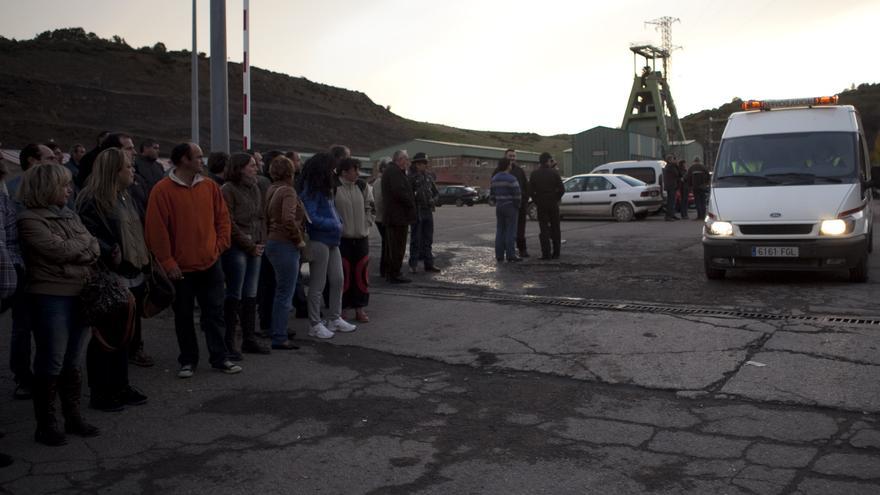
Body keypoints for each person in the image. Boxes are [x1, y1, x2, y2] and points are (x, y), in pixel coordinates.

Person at [17, 163, 101, 446]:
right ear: (46, 188)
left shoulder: (70, 215)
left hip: (81, 291)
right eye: (63, 185)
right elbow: (58, 250)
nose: (69, 189)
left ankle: (72, 416)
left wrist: (77, 248)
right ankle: (46, 423)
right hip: (51, 294)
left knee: (73, 358)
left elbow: (94, 246)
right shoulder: (29, 219)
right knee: (52, 357)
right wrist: (80, 247)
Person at [144, 142, 240, 378]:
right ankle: (188, 360)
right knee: (184, 315)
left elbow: (223, 220)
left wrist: (218, 247)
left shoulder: (209, 187)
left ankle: (220, 358)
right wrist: (167, 262)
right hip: (181, 269)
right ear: (184, 160)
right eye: (197, 157)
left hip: (210, 263)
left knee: (215, 313)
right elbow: (156, 231)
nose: (202, 161)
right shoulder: (162, 190)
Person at [76, 148, 150, 411]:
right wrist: (110, 251)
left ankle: (120, 385)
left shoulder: (125, 195)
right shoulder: (91, 199)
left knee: (124, 334)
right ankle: (101, 392)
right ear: (114, 171)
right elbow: (86, 235)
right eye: (128, 167)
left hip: (132, 271)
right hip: (108, 275)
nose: (133, 171)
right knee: (105, 337)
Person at [7, 143, 58, 401]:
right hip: (25, 268)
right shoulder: (13, 190)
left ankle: (47, 374)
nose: (55, 161)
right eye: (49, 158)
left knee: (49, 325)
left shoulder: (59, 188)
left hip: (52, 270)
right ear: (31, 161)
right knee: (23, 326)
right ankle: (23, 376)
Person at [300, 153, 357, 339]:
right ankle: (315, 324)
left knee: (338, 279)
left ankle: (335, 318)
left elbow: (331, 210)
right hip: (319, 239)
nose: (334, 171)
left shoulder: (326, 187)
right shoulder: (310, 189)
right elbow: (311, 216)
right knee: (318, 283)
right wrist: (334, 224)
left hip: (333, 239)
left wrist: (338, 221)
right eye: (331, 167)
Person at [221, 153, 271, 357]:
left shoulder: (256, 188)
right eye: (252, 166)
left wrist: (262, 241)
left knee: (251, 293)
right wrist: (249, 245)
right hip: (238, 247)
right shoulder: (227, 190)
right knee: (235, 294)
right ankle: (230, 340)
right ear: (240, 168)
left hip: (256, 246)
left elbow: (261, 217)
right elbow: (228, 223)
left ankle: (249, 338)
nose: (256, 168)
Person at [264, 155, 306, 349]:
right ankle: (279, 336)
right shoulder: (288, 191)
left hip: (272, 242)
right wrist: (298, 240)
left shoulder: (271, 189)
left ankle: (277, 328)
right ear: (290, 171)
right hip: (285, 244)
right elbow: (288, 219)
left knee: (278, 290)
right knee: (285, 292)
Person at [334, 158, 374, 322]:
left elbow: (371, 206)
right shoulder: (334, 187)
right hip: (343, 239)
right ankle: (342, 309)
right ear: (344, 172)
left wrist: (367, 223)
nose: (358, 173)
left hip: (361, 238)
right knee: (343, 275)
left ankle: (360, 308)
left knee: (361, 274)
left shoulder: (362, 186)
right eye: (354, 170)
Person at [381, 150, 416, 283]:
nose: (407, 162)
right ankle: (394, 274)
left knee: (396, 247)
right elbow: (399, 192)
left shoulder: (395, 172)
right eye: (406, 159)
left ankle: (394, 272)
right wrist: (411, 203)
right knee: (396, 247)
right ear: (400, 159)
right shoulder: (394, 172)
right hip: (396, 217)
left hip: (397, 217)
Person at [408, 152, 441, 274]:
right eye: (423, 163)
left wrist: (433, 200)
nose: (425, 165)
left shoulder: (428, 177)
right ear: (417, 164)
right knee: (416, 239)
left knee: (428, 239)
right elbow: (409, 195)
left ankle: (429, 264)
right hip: (417, 210)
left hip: (428, 210)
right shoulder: (411, 178)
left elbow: (436, 193)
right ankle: (413, 264)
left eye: (426, 163)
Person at [530, 152, 565, 259]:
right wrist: (556, 198)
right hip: (553, 204)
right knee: (555, 228)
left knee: (544, 228)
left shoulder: (534, 174)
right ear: (548, 161)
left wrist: (537, 201)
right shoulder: (554, 173)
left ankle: (546, 253)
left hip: (541, 204)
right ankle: (556, 252)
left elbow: (530, 191)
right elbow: (562, 189)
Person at [490, 158, 522, 263]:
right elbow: (517, 195)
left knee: (500, 230)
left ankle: (499, 255)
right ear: (508, 166)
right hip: (510, 206)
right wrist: (517, 205)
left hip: (499, 206)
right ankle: (511, 255)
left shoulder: (494, 178)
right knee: (510, 231)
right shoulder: (511, 178)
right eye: (510, 164)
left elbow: (492, 194)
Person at [505, 149, 530, 258]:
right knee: (508, 228)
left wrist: (524, 200)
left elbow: (526, 186)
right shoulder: (499, 171)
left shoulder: (520, 171)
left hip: (520, 204)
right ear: (505, 157)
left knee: (521, 228)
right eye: (510, 156)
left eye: (514, 156)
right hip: (507, 205)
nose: (512, 158)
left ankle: (522, 250)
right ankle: (509, 251)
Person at [372, 158, 390, 278]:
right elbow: (378, 201)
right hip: (382, 218)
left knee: (387, 244)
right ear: (383, 169)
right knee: (387, 244)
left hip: (384, 217)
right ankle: (384, 269)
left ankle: (385, 269)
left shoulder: (384, 180)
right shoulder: (379, 182)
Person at [662, 155, 681, 221]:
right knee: (671, 202)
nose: (675, 160)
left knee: (672, 201)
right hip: (671, 186)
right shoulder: (670, 166)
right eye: (673, 159)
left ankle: (671, 215)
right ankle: (668, 216)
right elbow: (677, 173)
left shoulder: (669, 166)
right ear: (670, 160)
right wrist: (676, 165)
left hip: (670, 186)